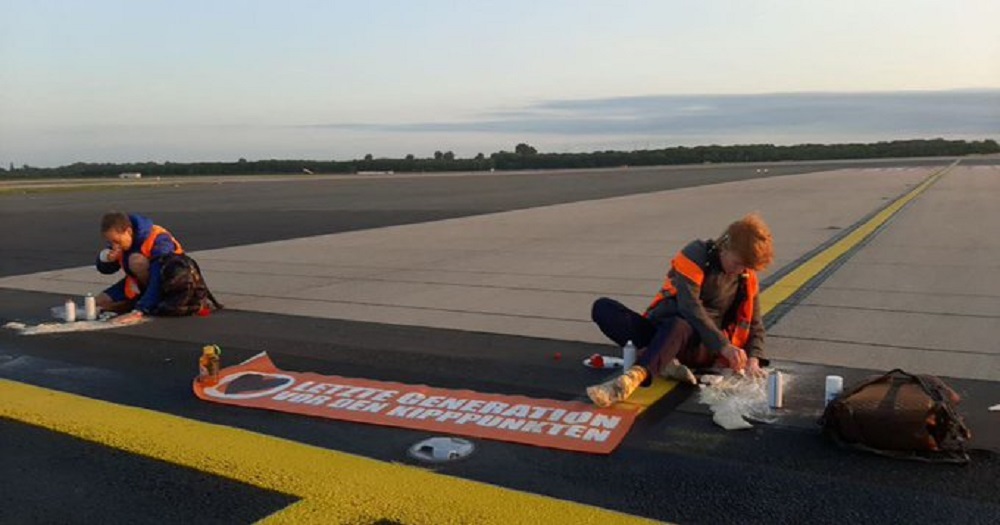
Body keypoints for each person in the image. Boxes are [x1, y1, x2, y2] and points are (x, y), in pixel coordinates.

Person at [586, 213, 774, 407]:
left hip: (699, 345)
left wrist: (753, 358)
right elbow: (689, 306)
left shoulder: (745, 277)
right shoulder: (697, 255)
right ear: (725, 245)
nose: (740, 270)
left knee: (679, 325)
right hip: (662, 331)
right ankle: (665, 362)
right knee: (603, 308)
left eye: (746, 266)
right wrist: (725, 346)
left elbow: (755, 323)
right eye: (737, 263)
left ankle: (633, 378)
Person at [95, 211, 184, 323]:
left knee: (136, 261)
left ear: (128, 231)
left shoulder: (159, 238)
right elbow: (106, 270)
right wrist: (106, 259)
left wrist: (141, 309)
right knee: (98, 302)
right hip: (137, 282)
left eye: (116, 241)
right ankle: (135, 302)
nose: (114, 246)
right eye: (110, 242)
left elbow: (159, 274)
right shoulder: (122, 241)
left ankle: (147, 302)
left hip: (170, 283)